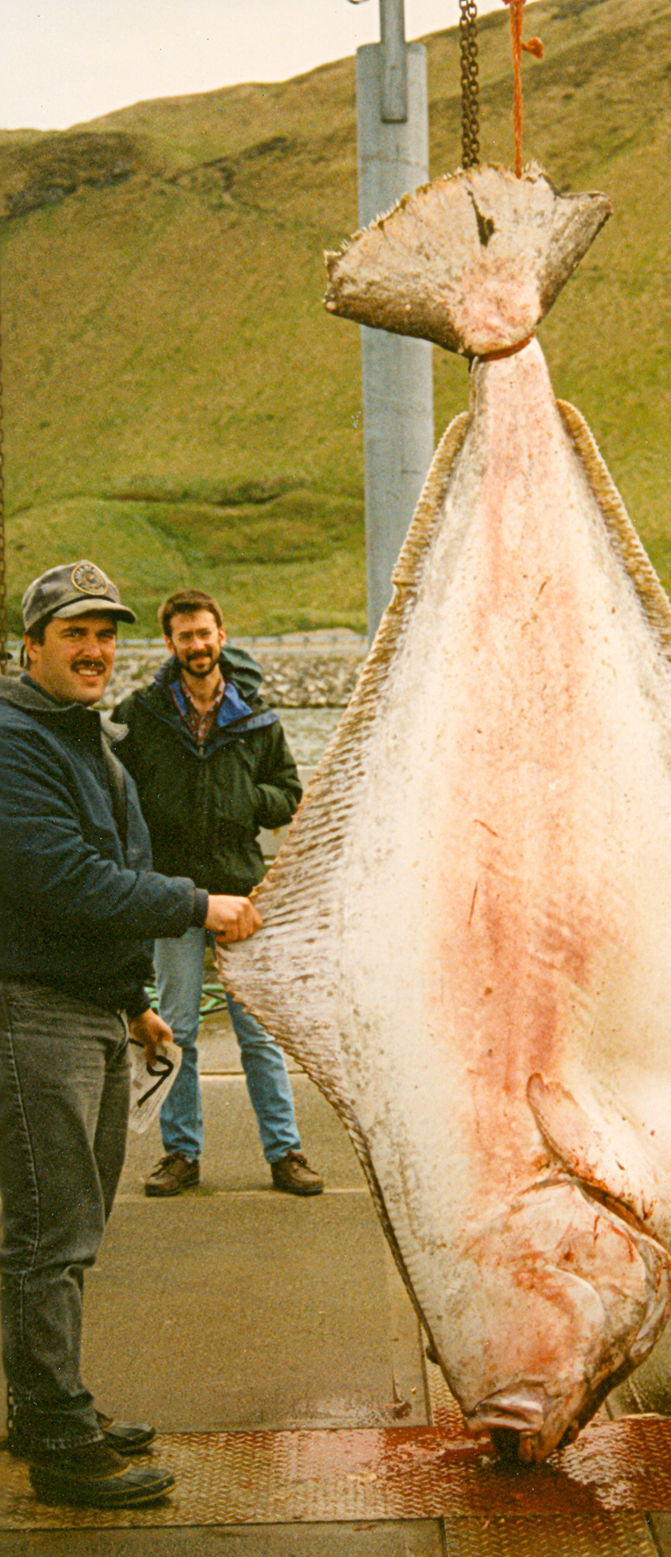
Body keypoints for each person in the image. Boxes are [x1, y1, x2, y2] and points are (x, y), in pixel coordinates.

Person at [0, 561, 261, 1508]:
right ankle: (59, 1437)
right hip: (31, 1013)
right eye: (74, 634)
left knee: (73, 1222)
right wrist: (200, 903)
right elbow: (60, 879)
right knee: (48, 1228)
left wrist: (131, 1004)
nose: (95, 651)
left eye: (106, 635)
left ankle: (45, 1401)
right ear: (31, 646)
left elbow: (98, 879)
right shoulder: (15, 738)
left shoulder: (87, 742)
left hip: (87, 1009)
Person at [113, 589, 323, 1199]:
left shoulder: (256, 718)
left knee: (256, 1034)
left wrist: (244, 802)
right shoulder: (142, 715)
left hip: (240, 894)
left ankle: (285, 1154)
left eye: (205, 633)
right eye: (185, 636)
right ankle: (181, 1154)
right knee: (175, 1028)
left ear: (221, 636)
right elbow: (114, 790)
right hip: (173, 896)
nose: (197, 645)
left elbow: (288, 791)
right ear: (170, 644)